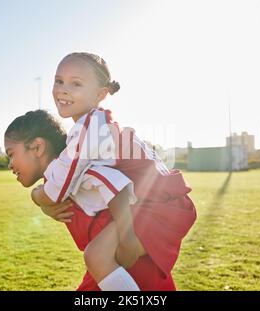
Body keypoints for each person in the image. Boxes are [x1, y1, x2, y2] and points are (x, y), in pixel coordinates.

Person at [28, 52, 197, 290]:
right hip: (162, 203)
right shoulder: (95, 125)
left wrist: (38, 198)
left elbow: (58, 187)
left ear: (100, 94)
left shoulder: (90, 129)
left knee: (97, 256)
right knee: (105, 263)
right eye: (59, 81)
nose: (63, 90)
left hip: (158, 206)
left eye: (76, 83)